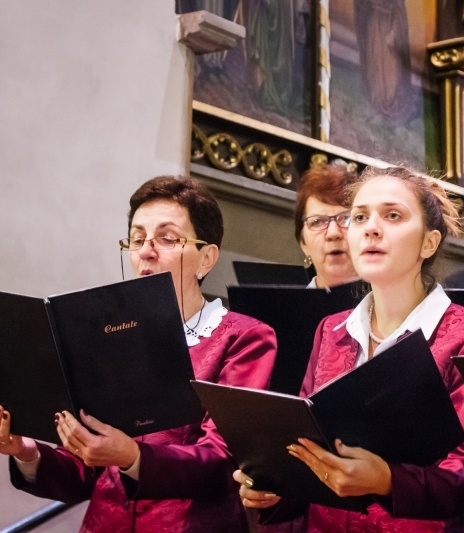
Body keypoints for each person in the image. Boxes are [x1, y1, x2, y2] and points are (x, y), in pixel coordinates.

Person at [235, 165, 464, 531]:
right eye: (360, 217)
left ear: (428, 243)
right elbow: (306, 446)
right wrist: (275, 488)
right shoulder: (330, 329)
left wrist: (388, 480)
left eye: (393, 215)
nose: (371, 228)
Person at [0, 176, 278, 531]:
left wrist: (133, 457)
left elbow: (222, 463)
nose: (146, 251)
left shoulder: (243, 337)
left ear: (206, 258)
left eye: (167, 238)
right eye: (136, 238)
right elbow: (89, 473)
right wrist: (27, 451)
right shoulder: (110, 337)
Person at [294, 162, 359, 288]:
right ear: (303, 243)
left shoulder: (396, 305)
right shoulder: (287, 307)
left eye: (346, 218)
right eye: (317, 222)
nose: (333, 233)